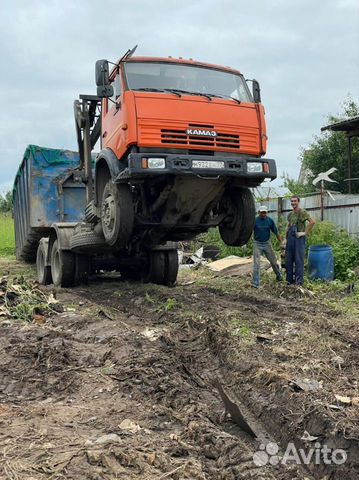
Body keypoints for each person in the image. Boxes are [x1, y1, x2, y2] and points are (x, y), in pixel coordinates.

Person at [285, 195, 315, 285]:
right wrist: (285, 239)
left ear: (298, 202)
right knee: (288, 261)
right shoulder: (290, 214)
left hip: (298, 240)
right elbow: (288, 226)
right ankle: (289, 282)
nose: (293, 203)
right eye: (292, 201)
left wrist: (304, 233)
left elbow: (312, 222)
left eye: (295, 201)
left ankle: (298, 283)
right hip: (290, 240)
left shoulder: (302, 212)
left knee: (298, 261)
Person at [252, 205, 282, 288]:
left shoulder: (270, 221)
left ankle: (279, 276)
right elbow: (249, 231)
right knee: (256, 264)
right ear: (259, 212)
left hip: (267, 243)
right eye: (262, 212)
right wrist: (244, 242)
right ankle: (255, 284)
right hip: (257, 243)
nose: (263, 214)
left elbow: (276, 232)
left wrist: (281, 242)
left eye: (264, 212)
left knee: (273, 261)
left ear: (267, 213)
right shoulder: (255, 221)